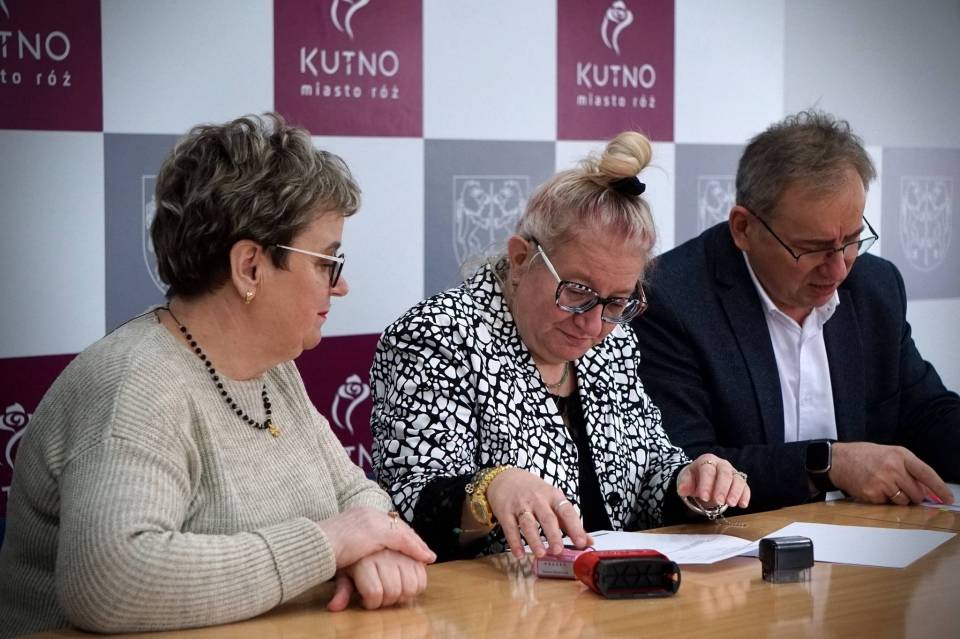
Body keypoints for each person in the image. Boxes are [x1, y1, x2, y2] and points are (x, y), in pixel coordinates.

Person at [0, 114, 435, 638]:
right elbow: (111, 582)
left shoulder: (273, 371)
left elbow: (356, 496)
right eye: (325, 263)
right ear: (250, 266)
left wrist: (369, 544)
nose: (339, 286)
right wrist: (331, 545)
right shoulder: (135, 384)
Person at [370, 132, 751, 562]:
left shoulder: (615, 339)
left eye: (617, 301)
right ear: (520, 259)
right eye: (577, 291)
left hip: (607, 588)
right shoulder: (437, 335)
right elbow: (410, 509)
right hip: (490, 596)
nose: (592, 324)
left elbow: (645, 476)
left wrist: (689, 483)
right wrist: (490, 490)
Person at [632, 110, 959, 513]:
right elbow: (686, 466)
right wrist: (827, 464)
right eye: (812, 248)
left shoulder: (875, 286)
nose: (838, 270)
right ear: (743, 228)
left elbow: (926, 414)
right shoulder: (671, 299)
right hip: (741, 541)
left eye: (852, 241)